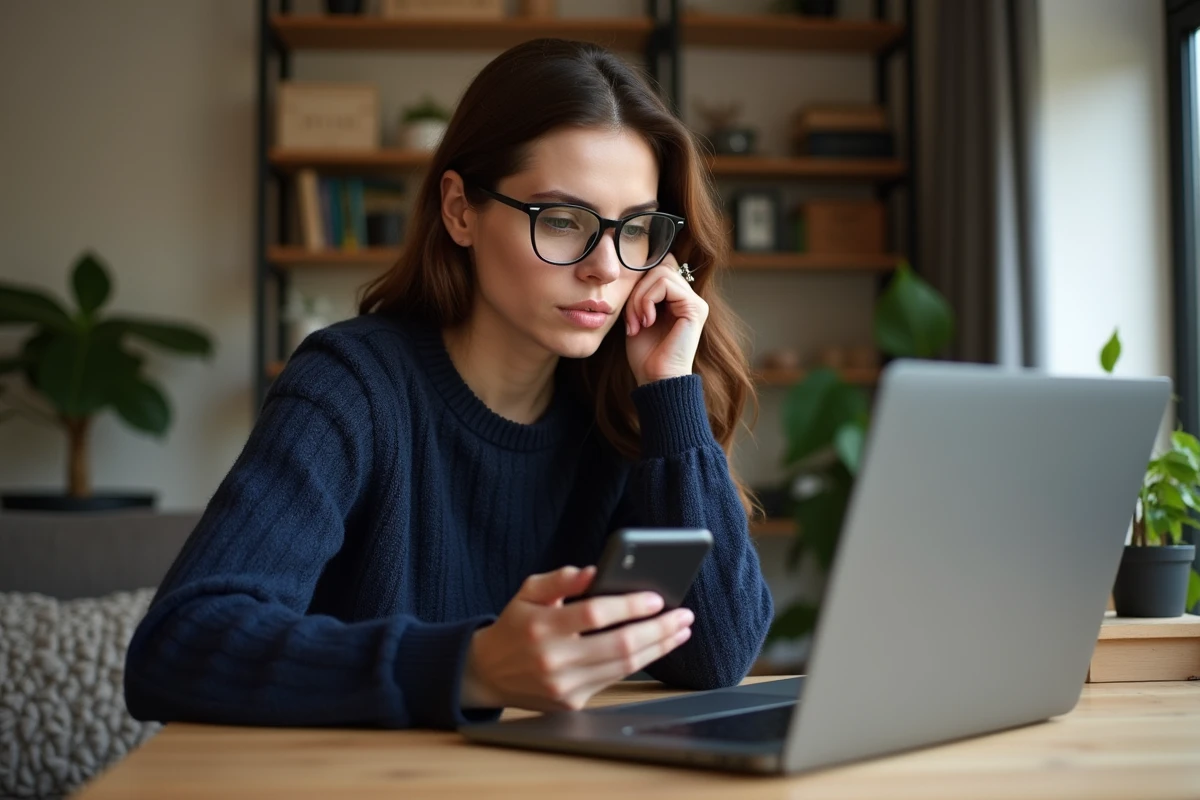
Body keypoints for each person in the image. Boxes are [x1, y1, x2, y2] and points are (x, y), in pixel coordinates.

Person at [124, 38, 773, 731]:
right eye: (561, 221)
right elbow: (177, 647)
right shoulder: (351, 387)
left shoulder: (621, 409)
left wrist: (669, 391)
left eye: (636, 229)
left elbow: (717, 656)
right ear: (461, 210)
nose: (605, 270)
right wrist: (469, 665)